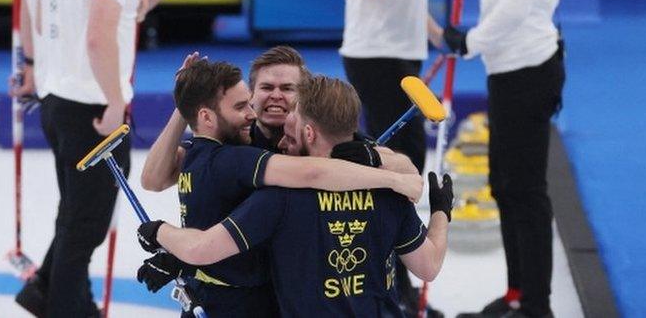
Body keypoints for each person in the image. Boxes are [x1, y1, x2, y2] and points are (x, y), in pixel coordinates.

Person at [18, 0, 206, 317]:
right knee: (87, 225)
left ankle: (46, 291)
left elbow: (49, 18)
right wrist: (114, 102)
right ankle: (65, 307)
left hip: (57, 98)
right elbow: (101, 36)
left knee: (75, 215)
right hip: (93, 109)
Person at [137, 75, 454, 317]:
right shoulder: (390, 192)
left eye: (291, 131)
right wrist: (441, 212)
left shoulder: (278, 199)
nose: (282, 142)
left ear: (311, 133)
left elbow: (202, 249)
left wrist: (159, 232)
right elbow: (429, 266)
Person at [428, 0, 567, 318]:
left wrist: (466, 42)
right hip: (529, 66)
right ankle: (518, 296)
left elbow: (512, 3)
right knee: (508, 186)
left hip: (523, 72)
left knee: (523, 191)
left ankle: (536, 306)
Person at [339, 0, 446, 316]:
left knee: (408, 170)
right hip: (376, 55)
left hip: (402, 51)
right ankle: (391, 292)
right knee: (395, 176)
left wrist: (434, 31)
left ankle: (397, 288)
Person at [141, 46, 418, 193]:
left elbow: (405, 169)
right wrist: (186, 102)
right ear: (250, 94)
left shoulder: (329, 134)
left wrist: (355, 156)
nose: (275, 96)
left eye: (287, 89)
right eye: (266, 88)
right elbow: (153, 180)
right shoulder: (232, 137)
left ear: (305, 94)